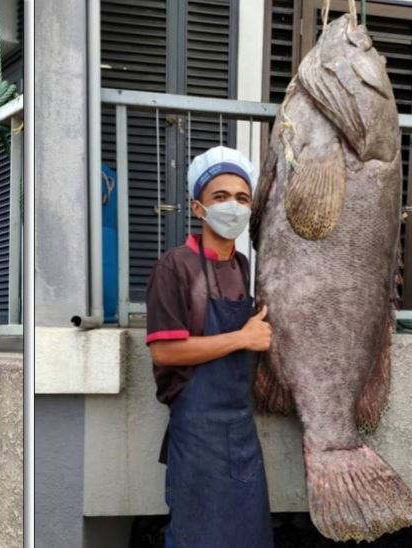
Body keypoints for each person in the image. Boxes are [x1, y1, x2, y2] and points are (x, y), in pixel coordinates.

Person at [145, 146, 274, 547]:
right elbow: (164, 352)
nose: (233, 206)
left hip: (240, 428)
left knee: (248, 535)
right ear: (198, 208)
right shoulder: (175, 267)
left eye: (242, 198)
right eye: (220, 197)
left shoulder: (242, 266)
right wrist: (242, 338)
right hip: (197, 431)